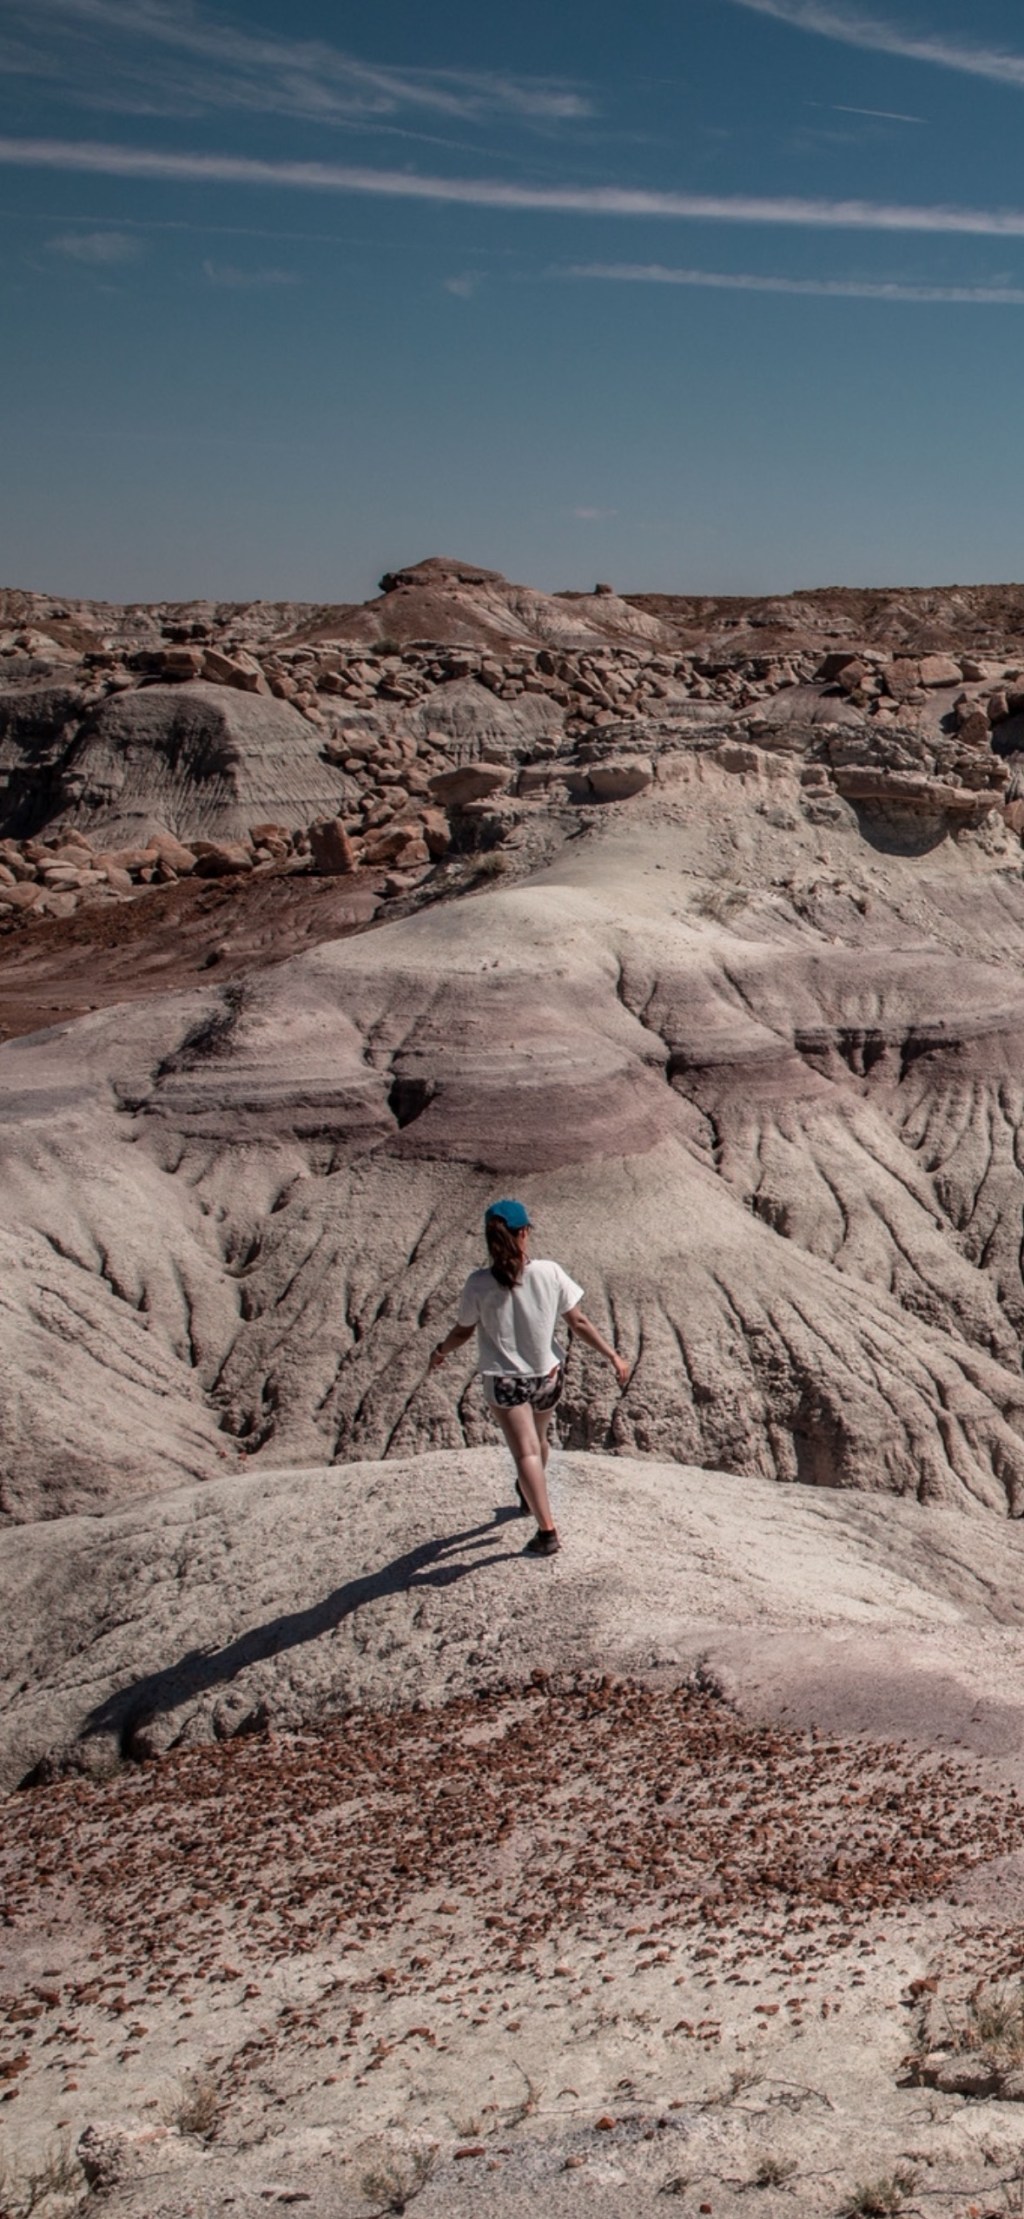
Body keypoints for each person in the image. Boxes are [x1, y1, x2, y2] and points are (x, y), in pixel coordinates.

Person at [428, 1199, 630, 1558]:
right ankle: (529, 1493)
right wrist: (612, 1355)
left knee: (525, 1453)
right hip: (548, 1376)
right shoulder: (549, 1272)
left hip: (506, 1382)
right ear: (524, 1233)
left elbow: (462, 1331)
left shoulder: (478, 1283)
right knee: (539, 1441)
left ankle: (546, 1531)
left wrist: (440, 1351)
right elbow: (578, 1322)